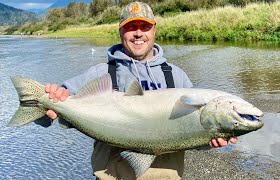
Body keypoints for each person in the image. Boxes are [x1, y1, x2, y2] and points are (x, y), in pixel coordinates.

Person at [38, 2, 238, 179]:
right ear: (120, 31)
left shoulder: (177, 77)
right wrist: (49, 102)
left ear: (154, 31)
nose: (138, 33)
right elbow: (46, 115)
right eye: (131, 27)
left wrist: (209, 140)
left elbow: (193, 132)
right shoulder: (102, 73)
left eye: (144, 27)